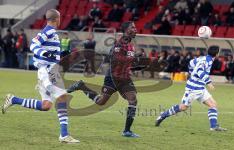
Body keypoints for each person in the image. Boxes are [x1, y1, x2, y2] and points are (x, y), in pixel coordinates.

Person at [1, 9, 79, 143]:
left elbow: (50, 52)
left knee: (46, 105)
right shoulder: (48, 31)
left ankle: (14, 100)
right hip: (48, 72)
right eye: (60, 18)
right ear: (57, 19)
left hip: (48, 71)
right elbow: (33, 45)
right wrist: (46, 54)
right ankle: (64, 135)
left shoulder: (51, 32)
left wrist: (61, 54)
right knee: (62, 97)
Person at [67, 21, 140, 137]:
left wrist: (136, 64)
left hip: (124, 78)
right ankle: (81, 86)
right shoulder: (119, 44)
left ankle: (127, 131)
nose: (136, 29)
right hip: (113, 77)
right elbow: (114, 59)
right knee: (101, 102)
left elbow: (128, 61)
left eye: (135, 27)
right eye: (133, 27)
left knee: (133, 100)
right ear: (126, 30)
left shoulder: (131, 45)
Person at [155, 45, 227, 131]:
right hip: (193, 88)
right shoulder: (207, 61)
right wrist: (209, 82)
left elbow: (192, 62)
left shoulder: (203, 58)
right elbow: (199, 71)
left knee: (213, 104)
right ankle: (163, 115)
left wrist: (191, 72)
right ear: (217, 53)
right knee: (183, 107)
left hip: (200, 87)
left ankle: (214, 126)